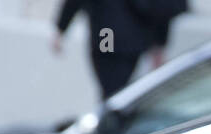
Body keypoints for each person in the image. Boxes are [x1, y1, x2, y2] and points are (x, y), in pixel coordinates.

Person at [52, 0, 187, 101]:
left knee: (113, 89)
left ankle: (109, 125)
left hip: (114, 34)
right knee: (114, 87)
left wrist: (61, 29)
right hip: (125, 37)